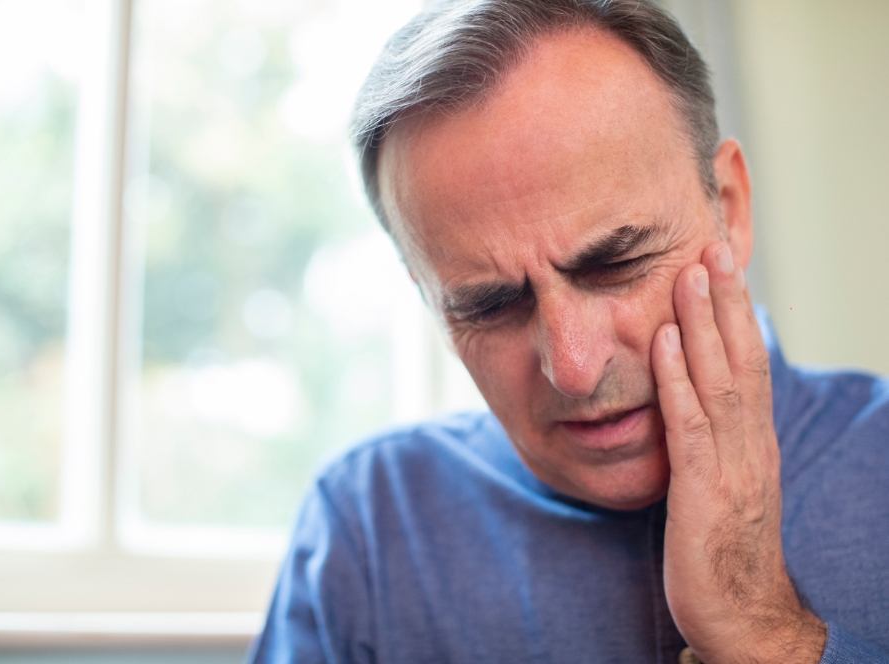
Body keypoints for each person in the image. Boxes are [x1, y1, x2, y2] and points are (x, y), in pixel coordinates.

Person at [250, 1, 889, 661]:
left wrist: (763, 633)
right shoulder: (366, 529)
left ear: (728, 209)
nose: (575, 368)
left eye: (617, 264)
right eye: (490, 304)